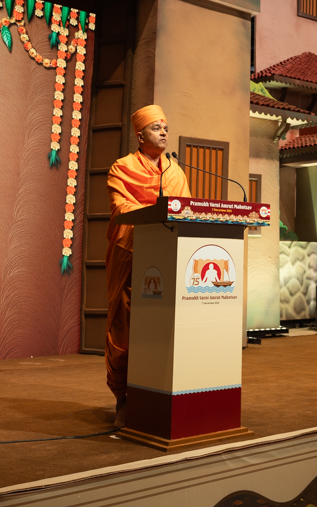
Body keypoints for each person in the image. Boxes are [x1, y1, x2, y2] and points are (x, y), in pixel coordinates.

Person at [104, 105, 191, 428]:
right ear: (140, 136)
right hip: (130, 253)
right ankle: (123, 399)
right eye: (157, 128)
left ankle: (164, 393)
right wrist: (156, 213)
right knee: (124, 325)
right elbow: (121, 206)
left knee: (165, 326)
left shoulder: (176, 172)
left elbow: (185, 211)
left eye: (166, 127)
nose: (164, 132)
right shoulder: (121, 168)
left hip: (167, 258)